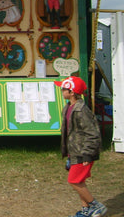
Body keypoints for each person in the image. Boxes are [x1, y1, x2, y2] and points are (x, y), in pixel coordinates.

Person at [54, 76, 107, 217]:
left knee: (74, 181)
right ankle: (86, 210)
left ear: (72, 92)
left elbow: (92, 133)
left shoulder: (81, 110)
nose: (61, 90)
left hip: (83, 152)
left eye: (64, 88)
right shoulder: (68, 107)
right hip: (74, 151)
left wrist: (87, 154)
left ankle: (96, 206)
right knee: (80, 181)